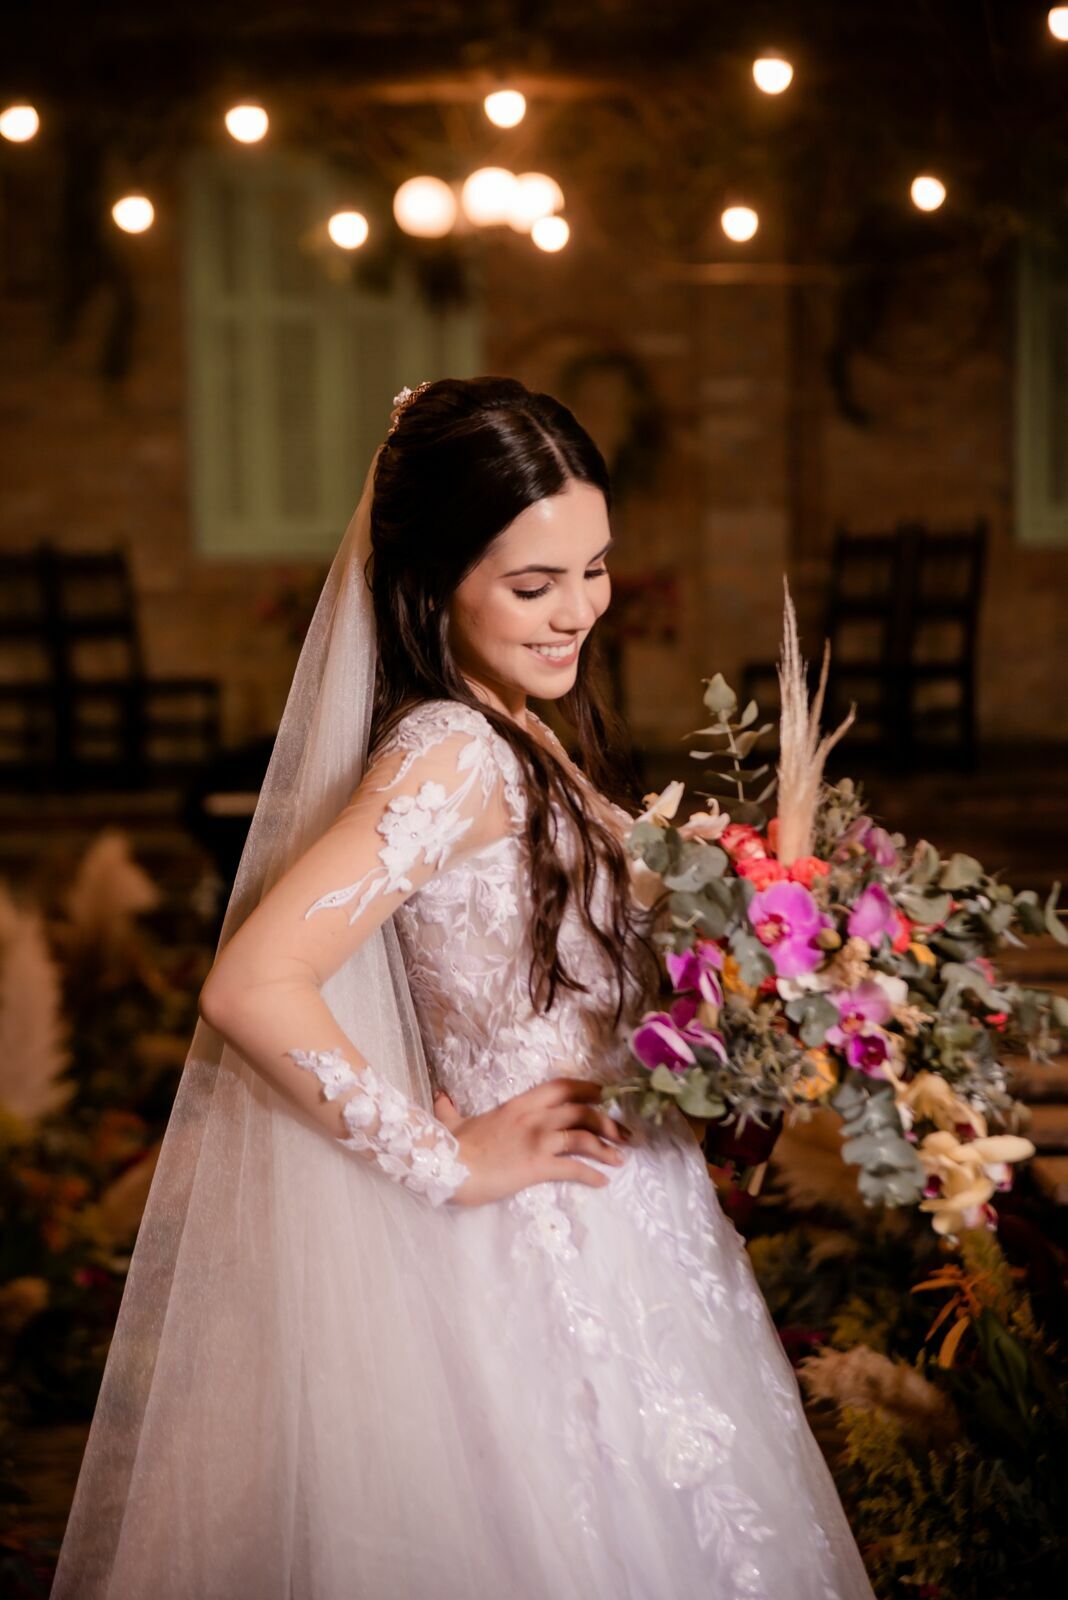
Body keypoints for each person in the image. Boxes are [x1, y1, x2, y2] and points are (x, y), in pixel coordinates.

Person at [51, 376, 877, 1599]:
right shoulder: (450, 751)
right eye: (534, 585)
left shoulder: (518, 729)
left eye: (594, 568)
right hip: (544, 1245)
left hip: (628, 1226)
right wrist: (446, 1159)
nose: (577, 611)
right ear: (434, 580)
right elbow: (254, 981)